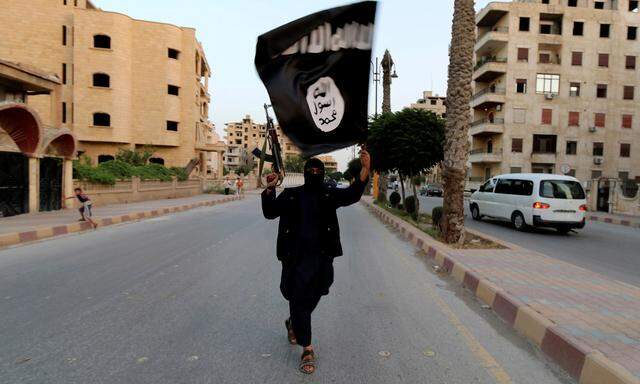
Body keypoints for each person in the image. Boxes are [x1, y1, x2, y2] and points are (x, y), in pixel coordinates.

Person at [261, 149, 370, 374]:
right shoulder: (292, 194)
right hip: (295, 259)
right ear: (304, 173)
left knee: (321, 289)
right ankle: (307, 348)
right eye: (310, 170)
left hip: (322, 257)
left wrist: (365, 169)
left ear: (321, 173)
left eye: (317, 170)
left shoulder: (330, 193)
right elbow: (270, 212)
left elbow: (352, 194)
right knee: (299, 298)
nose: (314, 172)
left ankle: (294, 321)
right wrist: (270, 188)